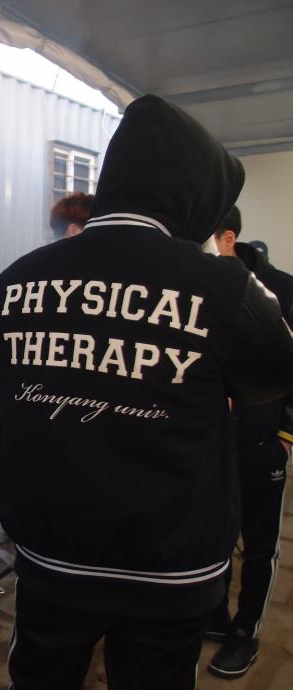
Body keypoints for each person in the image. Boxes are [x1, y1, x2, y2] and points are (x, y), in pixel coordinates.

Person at [0, 94, 293, 690]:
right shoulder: (222, 286)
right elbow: (275, 374)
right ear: (193, 194)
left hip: (53, 553)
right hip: (168, 566)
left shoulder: (18, 280)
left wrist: (14, 512)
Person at [207, 205, 293, 679]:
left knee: (259, 545)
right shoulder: (198, 287)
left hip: (262, 441)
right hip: (213, 444)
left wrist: (283, 434)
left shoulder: (280, 289)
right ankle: (216, 615)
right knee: (216, 533)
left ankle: (247, 632)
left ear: (228, 238)